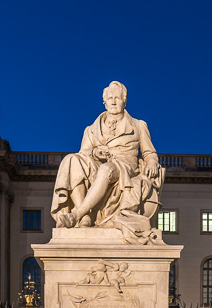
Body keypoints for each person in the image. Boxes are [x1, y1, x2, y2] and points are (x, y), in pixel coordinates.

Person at [50, 81, 163, 239]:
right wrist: (96, 152)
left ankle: (77, 214)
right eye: (110, 98)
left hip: (124, 166)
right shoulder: (90, 130)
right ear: (104, 102)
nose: (114, 101)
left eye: (118, 98)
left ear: (125, 101)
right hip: (96, 164)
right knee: (71, 161)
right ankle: (86, 217)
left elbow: (149, 152)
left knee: (107, 169)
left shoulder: (138, 125)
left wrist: (151, 161)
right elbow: (84, 154)